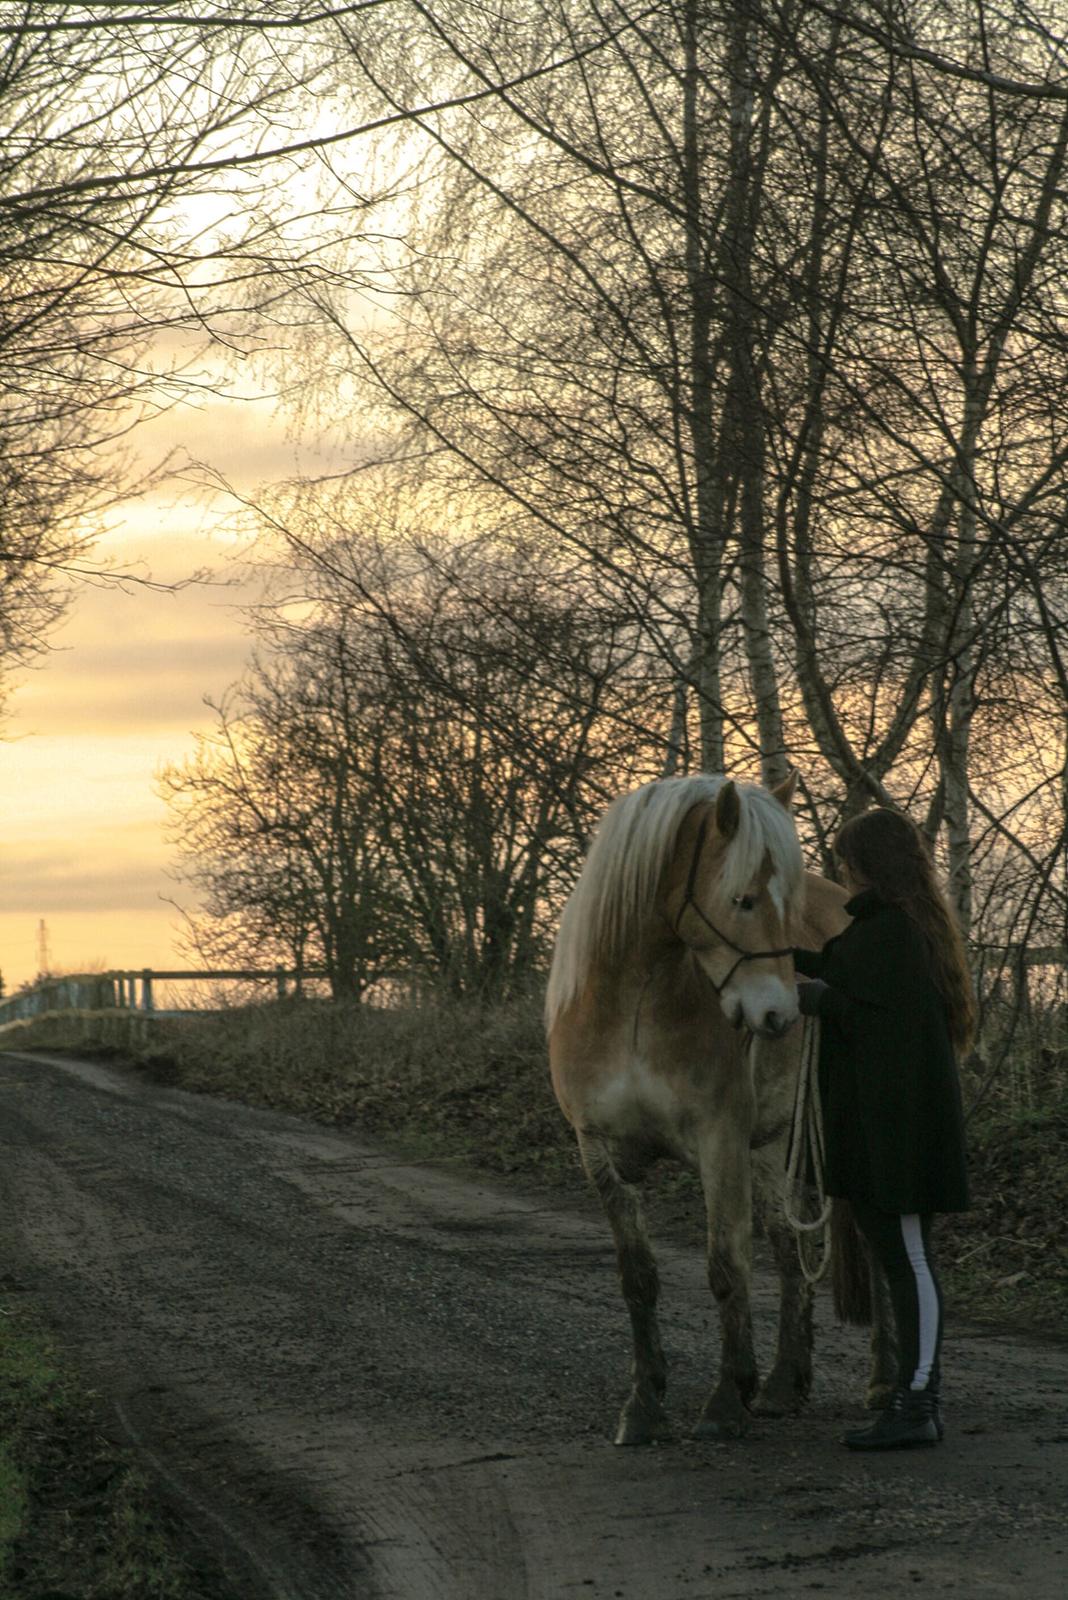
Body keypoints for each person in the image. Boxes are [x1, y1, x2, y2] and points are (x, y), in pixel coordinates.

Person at [794, 807, 974, 1451]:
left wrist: (816, 998)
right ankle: (914, 1395)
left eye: (849, 861)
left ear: (871, 867)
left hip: (901, 1133)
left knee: (911, 1260)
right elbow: (844, 971)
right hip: (881, 1130)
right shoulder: (883, 930)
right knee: (902, 1258)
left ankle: (918, 1400)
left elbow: (879, 1021)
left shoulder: (896, 933)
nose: (842, 870)